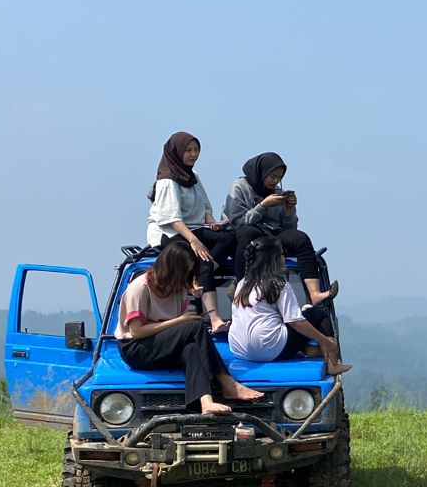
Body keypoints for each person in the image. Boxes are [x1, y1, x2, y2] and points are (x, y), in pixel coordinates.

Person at [116, 239, 262, 415]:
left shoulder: (177, 290)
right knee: (193, 326)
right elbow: (136, 331)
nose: (186, 275)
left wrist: (190, 304)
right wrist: (180, 321)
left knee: (192, 349)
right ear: (171, 268)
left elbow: (180, 332)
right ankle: (227, 382)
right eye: (184, 270)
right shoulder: (140, 287)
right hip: (136, 348)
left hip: (161, 345)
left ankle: (206, 402)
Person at [146, 131, 235, 334]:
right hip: (168, 232)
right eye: (188, 150)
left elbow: (204, 208)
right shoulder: (167, 181)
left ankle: (200, 278)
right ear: (176, 152)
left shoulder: (193, 177)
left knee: (229, 238)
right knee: (201, 257)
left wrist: (213, 223)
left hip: (193, 228)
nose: (193, 154)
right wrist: (194, 241)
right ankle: (215, 319)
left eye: (196, 150)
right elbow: (171, 219)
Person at [221, 152, 338, 306]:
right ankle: (243, 292)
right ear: (261, 172)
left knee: (300, 238)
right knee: (247, 233)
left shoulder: (277, 192)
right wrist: (263, 206)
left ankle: (314, 294)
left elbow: (289, 229)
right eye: (272, 176)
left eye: (279, 177)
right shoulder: (239, 187)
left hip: (273, 234)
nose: (275, 181)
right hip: (244, 234)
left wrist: (289, 210)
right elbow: (238, 223)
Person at [229, 236, 351, 375]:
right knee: (316, 313)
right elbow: (295, 321)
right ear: (274, 259)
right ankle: (332, 362)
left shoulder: (242, 284)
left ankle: (309, 349)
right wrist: (325, 340)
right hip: (270, 350)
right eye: (282, 254)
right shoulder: (278, 284)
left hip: (240, 351)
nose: (284, 258)